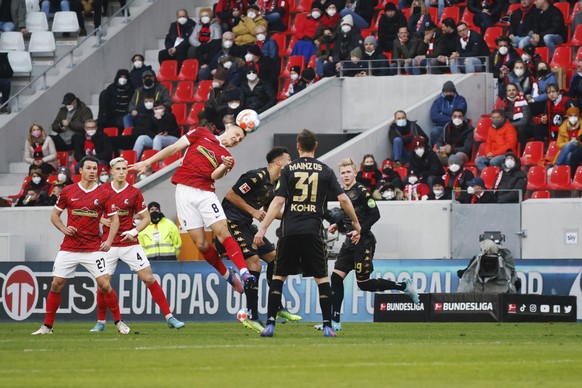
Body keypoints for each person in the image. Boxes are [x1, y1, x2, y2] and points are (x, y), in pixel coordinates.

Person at [253, 129, 362, 338]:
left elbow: (277, 201)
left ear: (297, 146)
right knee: (321, 278)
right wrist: (355, 223)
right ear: (316, 145)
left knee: (278, 276)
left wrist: (263, 228)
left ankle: (270, 324)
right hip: (313, 230)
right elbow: (344, 200)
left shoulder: (288, 169)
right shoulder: (326, 170)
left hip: (289, 230)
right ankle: (328, 326)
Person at [130, 122, 256, 294]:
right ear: (227, 127)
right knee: (202, 244)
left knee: (223, 232)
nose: (236, 139)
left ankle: (244, 272)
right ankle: (228, 276)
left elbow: (214, 176)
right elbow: (174, 148)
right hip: (184, 192)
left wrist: (223, 166)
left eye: (239, 140)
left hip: (206, 193)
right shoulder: (201, 133)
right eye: (236, 134)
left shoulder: (227, 157)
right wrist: (148, 162)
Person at [315, 158, 419, 331]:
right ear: (340, 176)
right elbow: (347, 214)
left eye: (349, 172)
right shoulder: (343, 192)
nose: (346, 175)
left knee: (363, 284)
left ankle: (403, 286)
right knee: (336, 277)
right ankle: (334, 321)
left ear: (355, 173)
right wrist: (337, 224)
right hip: (350, 242)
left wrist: (360, 231)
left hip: (364, 242)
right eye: (343, 173)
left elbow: (375, 214)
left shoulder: (362, 191)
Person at [32, 156, 129, 335]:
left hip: (93, 248)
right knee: (56, 284)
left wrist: (108, 241)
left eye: (95, 168)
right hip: (69, 247)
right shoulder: (68, 191)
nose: (93, 171)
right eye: (89, 168)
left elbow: (115, 220)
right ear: (81, 171)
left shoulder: (104, 193)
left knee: (105, 285)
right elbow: (54, 215)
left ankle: (118, 322)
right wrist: (63, 228)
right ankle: (47, 326)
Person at [90, 157, 184, 332]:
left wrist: (133, 232)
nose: (121, 172)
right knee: (104, 284)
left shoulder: (134, 192)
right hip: (109, 244)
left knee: (148, 278)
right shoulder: (102, 191)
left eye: (124, 169)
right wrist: (104, 220)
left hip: (130, 243)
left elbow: (146, 218)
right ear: (111, 171)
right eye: (118, 169)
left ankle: (169, 317)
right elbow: (93, 213)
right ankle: (101, 322)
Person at [221, 147, 302, 332]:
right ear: (279, 162)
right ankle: (252, 315)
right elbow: (230, 195)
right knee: (255, 264)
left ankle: (277, 307)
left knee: (275, 258)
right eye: (289, 159)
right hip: (232, 222)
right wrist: (253, 211)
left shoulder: (276, 185)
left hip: (247, 225)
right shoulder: (256, 176)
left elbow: (271, 210)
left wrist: (294, 216)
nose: (291, 163)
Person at [429, 81, 468, 146]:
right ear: (443, 92)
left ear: (454, 91)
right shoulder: (438, 101)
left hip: (457, 126)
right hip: (442, 126)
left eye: (450, 92)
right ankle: (437, 153)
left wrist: (442, 113)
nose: (448, 94)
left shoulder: (461, 99)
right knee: (434, 132)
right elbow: (434, 116)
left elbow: (459, 112)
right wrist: (451, 117)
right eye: (446, 92)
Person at [495, 82, 532, 151]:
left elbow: (524, 121)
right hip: (511, 127)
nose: (511, 92)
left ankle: (520, 154)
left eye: (513, 90)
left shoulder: (523, 101)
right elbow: (501, 119)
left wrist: (509, 126)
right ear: (506, 93)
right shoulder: (504, 103)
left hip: (526, 127)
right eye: (509, 90)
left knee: (520, 129)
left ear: (517, 91)